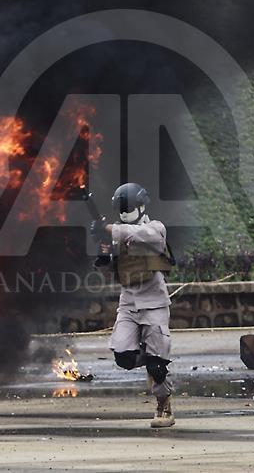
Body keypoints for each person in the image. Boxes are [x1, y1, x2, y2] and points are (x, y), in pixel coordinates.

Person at [91, 182, 175, 428]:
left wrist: (110, 229)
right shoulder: (118, 235)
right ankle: (152, 359)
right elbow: (112, 271)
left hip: (155, 304)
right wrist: (103, 255)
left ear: (141, 206)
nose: (125, 212)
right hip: (128, 304)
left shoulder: (154, 228)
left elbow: (140, 236)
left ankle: (164, 406)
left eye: (129, 207)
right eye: (121, 208)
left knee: (158, 366)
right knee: (123, 357)